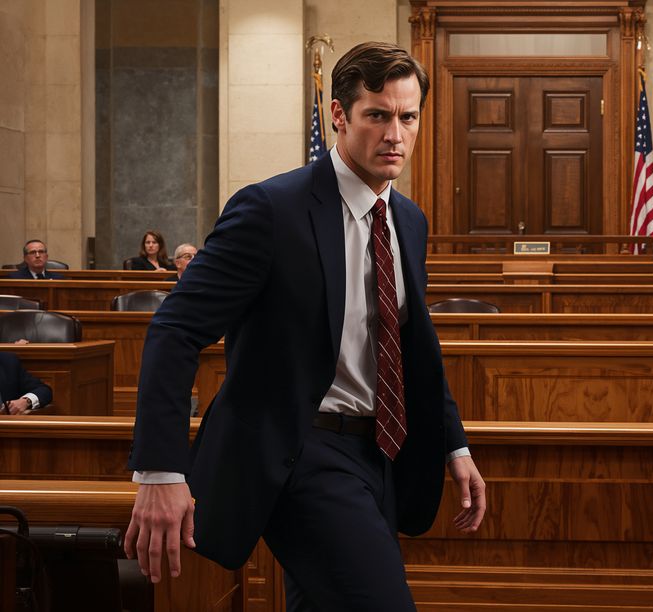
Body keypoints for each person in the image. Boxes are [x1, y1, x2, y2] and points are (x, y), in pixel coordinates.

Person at [124, 41, 485, 610]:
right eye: (378, 115)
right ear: (339, 116)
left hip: (383, 454)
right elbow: (175, 329)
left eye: (408, 117)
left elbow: (409, 344)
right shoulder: (271, 210)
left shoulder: (408, 220)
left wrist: (454, 444)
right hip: (301, 450)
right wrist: (160, 470)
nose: (396, 134)